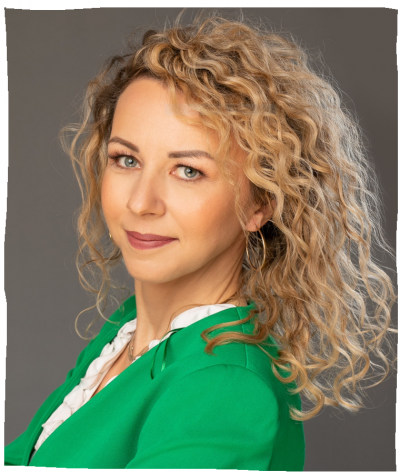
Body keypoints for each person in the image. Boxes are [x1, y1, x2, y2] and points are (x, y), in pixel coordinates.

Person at [4, 10, 397, 471]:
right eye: (127, 160)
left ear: (260, 204)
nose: (141, 202)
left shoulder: (226, 384)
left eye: (188, 171)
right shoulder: (128, 332)